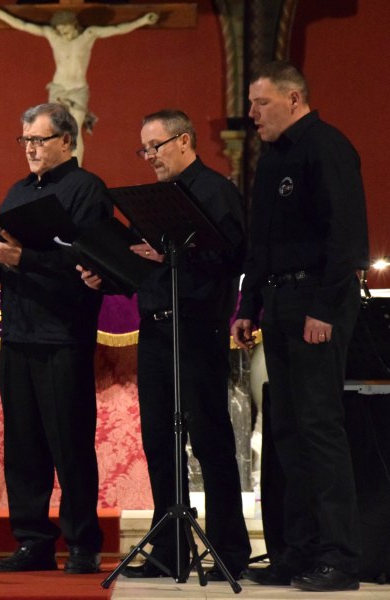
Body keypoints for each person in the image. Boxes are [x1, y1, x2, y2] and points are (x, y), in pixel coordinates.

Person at [80, 109, 250, 581]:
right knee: (160, 439)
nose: (149, 156)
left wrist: (177, 254)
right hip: (155, 329)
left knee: (210, 439)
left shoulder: (216, 192)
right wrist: (106, 275)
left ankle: (230, 550)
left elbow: (233, 257)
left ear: (184, 141)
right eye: (144, 149)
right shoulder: (156, 199)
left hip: (197, 328)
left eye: (154, 146)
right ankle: (170, 549)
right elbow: (141, 264)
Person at [231, 61, 369, 592]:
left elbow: (346, 237)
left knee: (319, 428)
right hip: (280, 302)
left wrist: (325, 310)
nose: (251, 113)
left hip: (317, 302)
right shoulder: (272, 158)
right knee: (286, 430)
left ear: (293, 99)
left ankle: (340, 557)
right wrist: (248, 305)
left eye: (260, 102)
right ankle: (299, 550)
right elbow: (261, 243)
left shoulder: (327, 148)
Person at [0, 103, 111, 574]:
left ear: (66, 141)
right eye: (24, 139)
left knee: (70, 444)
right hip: (18, 333)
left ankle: (83, 543)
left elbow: (91, 262)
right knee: (23, 447)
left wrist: (23, 258)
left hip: (64, 334)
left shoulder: (87, 189)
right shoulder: (18, 191)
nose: (29, 148)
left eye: (38, 139)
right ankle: (33, 541)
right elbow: (7, 262)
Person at [0, 6, 158, 162]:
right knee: (55, 131)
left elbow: (117, 29)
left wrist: (143, 20)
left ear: (73, 24)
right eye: (59, 29)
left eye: (64, 28)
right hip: (59, 88)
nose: (62, 32)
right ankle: (57, 168)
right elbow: (24, 26)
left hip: (77, 90)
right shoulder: (53, 36)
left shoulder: (88, 35)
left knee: (75, 131)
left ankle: (76, 171)